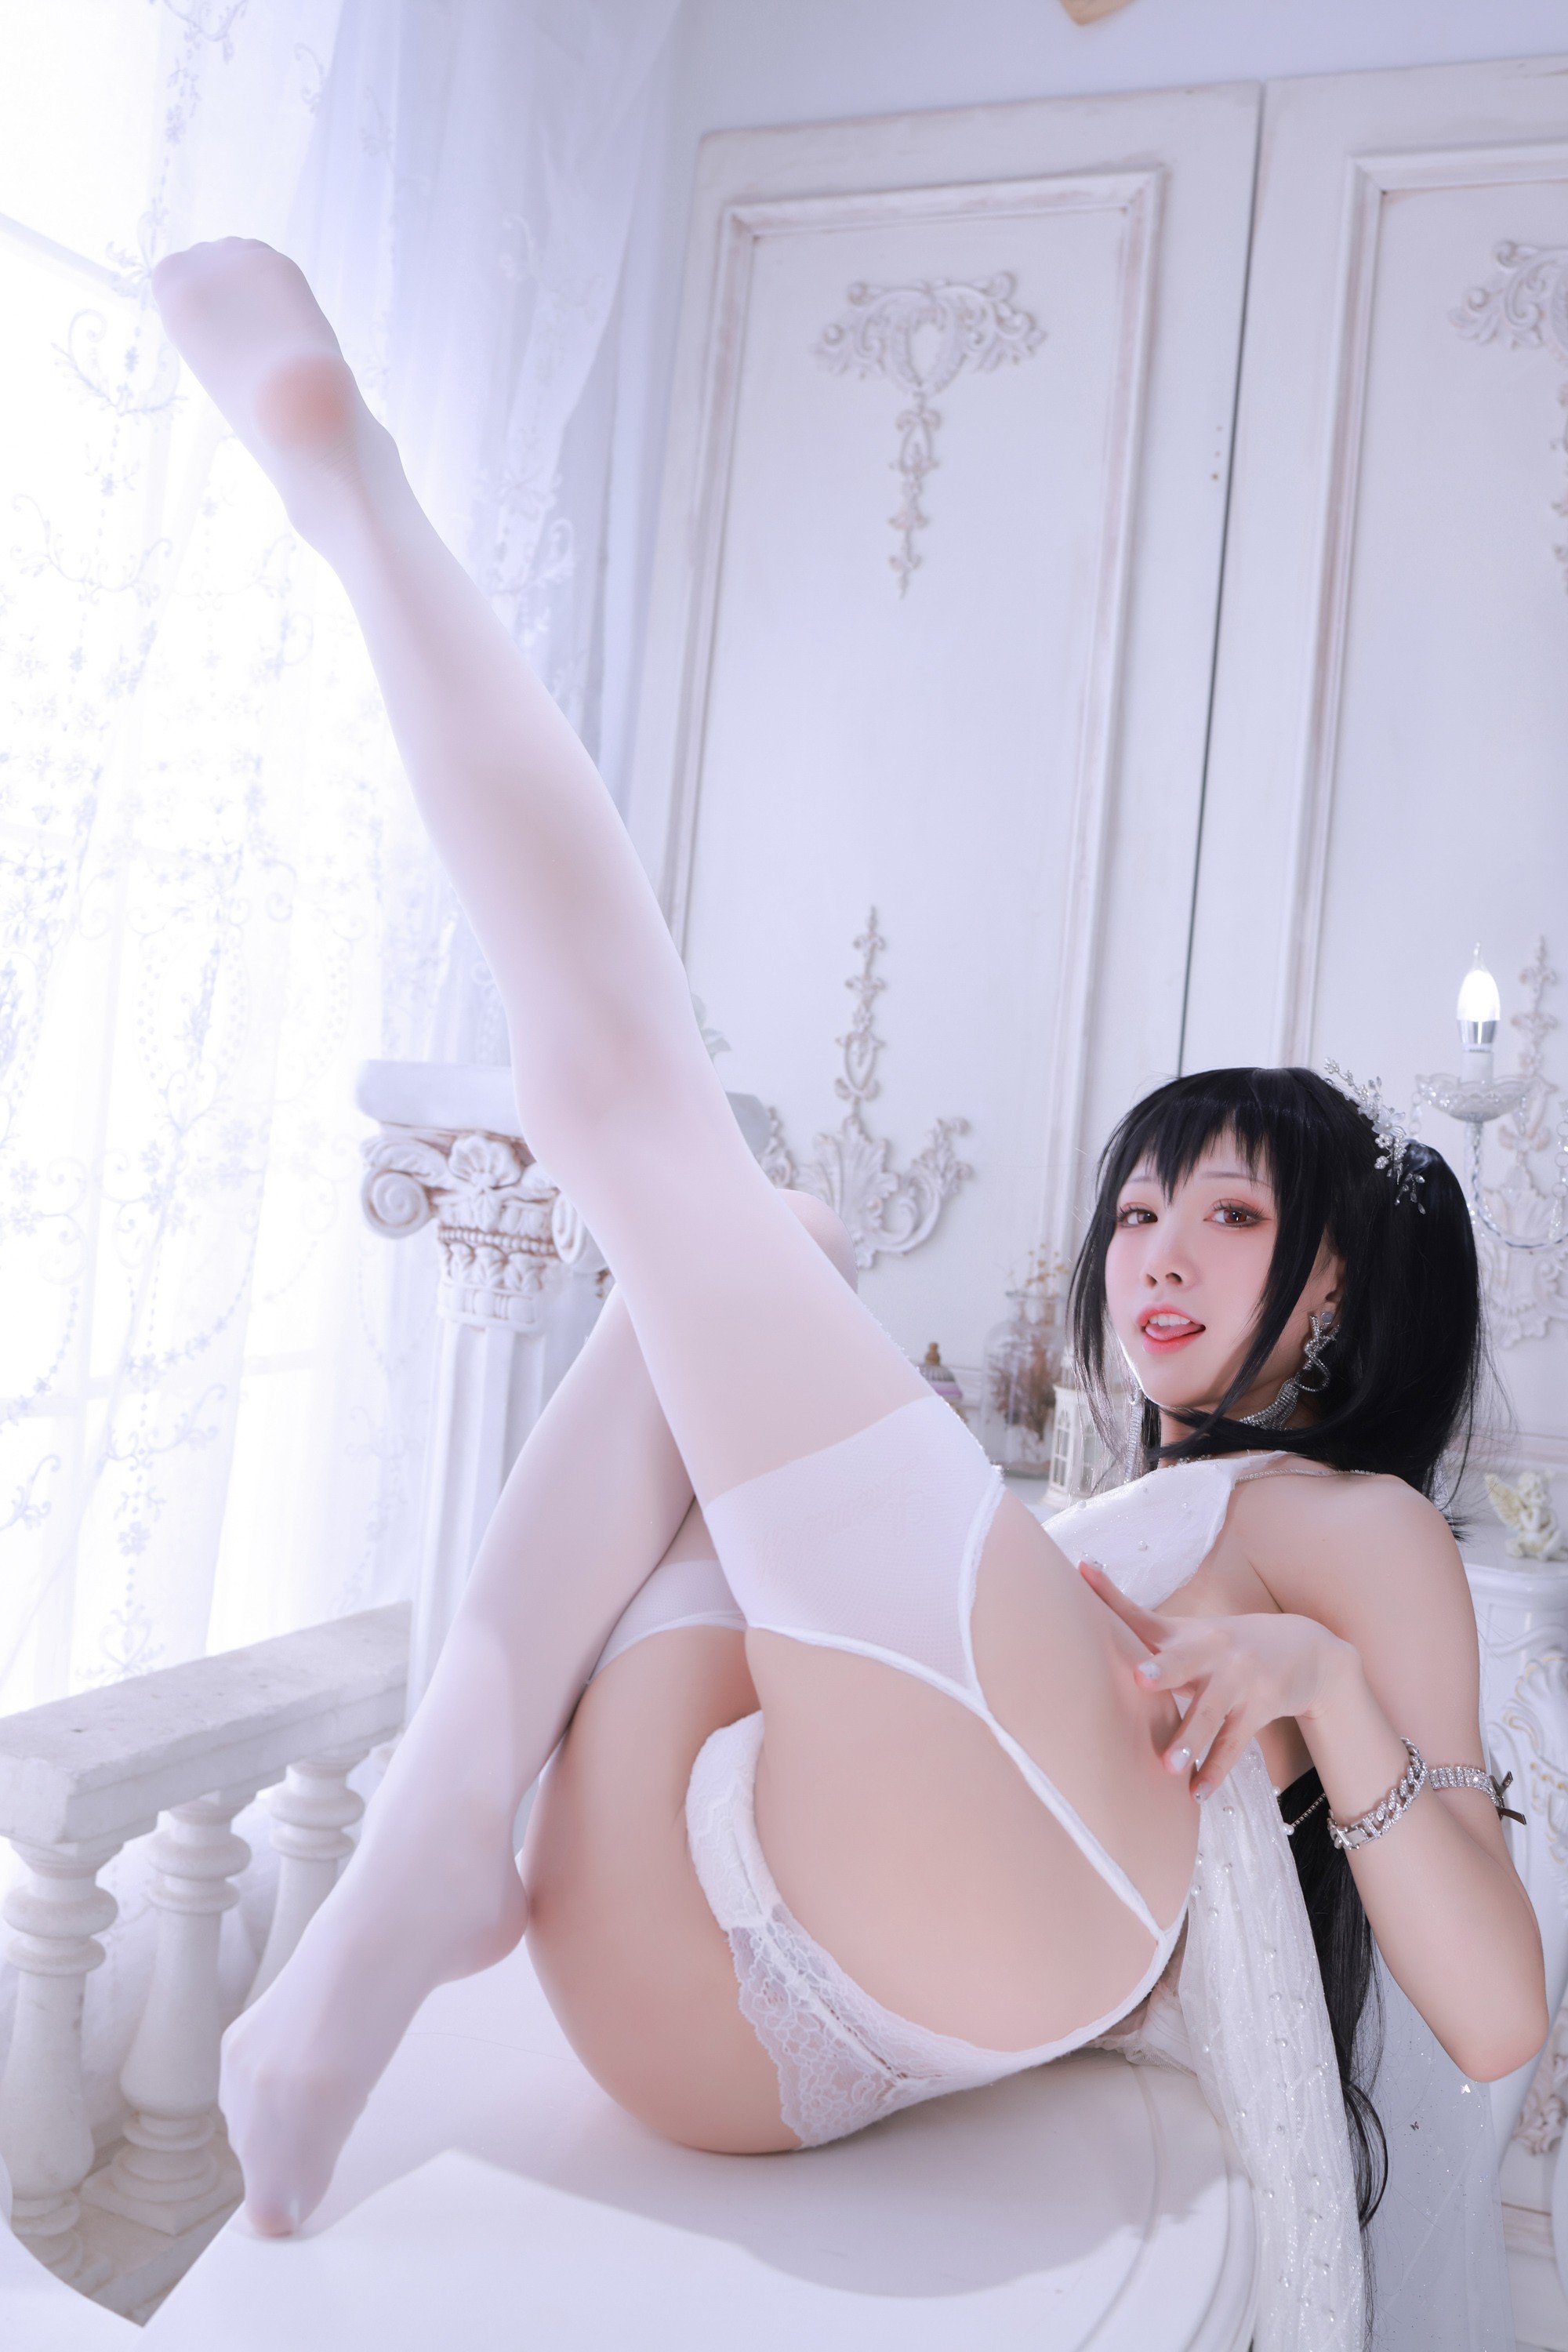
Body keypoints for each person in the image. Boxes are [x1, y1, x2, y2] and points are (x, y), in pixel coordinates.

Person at [149, 240, 1547, 2350]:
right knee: (760, 1244)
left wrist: (1322, 1682)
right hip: (681, 1983)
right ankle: (452, 1801)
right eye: (1137, 1213)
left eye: (1230, 1219)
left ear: (1340, 1292)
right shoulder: (1084, 1525)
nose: (1156, 1255)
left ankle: (360, 500)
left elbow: (1499, 2013)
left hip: (999, 1899)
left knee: (651, 1134)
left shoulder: (1348, 1532)